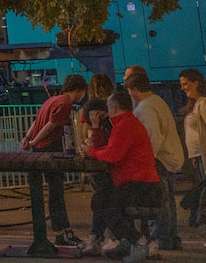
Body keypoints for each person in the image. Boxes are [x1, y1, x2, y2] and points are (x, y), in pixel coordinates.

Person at [85, 90, 162, 263]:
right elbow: (111, 150)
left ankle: (140, 242)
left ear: (115, 107)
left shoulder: (125, 125)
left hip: (140, 183)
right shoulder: (126, 123)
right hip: (137, 181)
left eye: (108, 106)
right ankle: (125, 241)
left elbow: (112, 154)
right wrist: (95, 147)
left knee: (109, 208)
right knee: (101, 199)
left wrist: (91, 151)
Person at [21, 73, 87, 247]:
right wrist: (34, 141)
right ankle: (61, 233)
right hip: (50, 149)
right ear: (79, 90)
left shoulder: (52, 100)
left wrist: (28, 138)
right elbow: (50, 125)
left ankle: (65, 231)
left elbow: (37, 122)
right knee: (56, 192)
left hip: (39, 148)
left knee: (55, 191)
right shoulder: (65, 103)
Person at [126, 69, 184, 251]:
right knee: (167, 200)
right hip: (169, 156)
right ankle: (171, 237)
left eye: (128, 89)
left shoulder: (146, 108)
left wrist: (145, 161)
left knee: (160, 202)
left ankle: (163, 238)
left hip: (159, 159)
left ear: (134, 89)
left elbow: (152, 138)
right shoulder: (157, 101)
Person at [81, 73, 117, 253]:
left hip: (97, 159)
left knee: (100, 199)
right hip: (113, 160)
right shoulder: (114, 107)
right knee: (108, 199)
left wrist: (85, 147)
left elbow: (86, 133)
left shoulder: (90, 107)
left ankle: (97, 238)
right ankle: (110, 237)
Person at [179, 69, 206, 226]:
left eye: (185, 84)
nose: (182, 88)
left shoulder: (203, 104)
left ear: (196, 83)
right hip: (198, 156)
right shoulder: (195, 104)